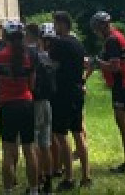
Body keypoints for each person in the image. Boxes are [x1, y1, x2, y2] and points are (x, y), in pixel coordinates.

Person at [0, 19, 40, 195]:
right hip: (26, 103)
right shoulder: (31, 55)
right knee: (29, 149)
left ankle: (8, 190)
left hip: (7, 105)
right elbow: (32, 84)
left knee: (8, 151)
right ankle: (34, 189)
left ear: (6, 36)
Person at [89, 11, 125, 174]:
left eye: (97, 29)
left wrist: (96, 62)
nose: (97, 33)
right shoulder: (119, 36)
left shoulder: (112, 40)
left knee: (122, 123)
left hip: (122, 84)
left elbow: (114, 67)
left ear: (102, 26)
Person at [49, 12, 90, 191]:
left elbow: (51, 64)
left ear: (63, 24)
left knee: (61, 135)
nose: (54, 28)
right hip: (77, 91)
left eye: (55, 24)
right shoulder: (78, 44)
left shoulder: (59, 43)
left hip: (62, 94)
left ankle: (69, 177)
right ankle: (87, 175)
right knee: (78, 132)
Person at [28, 22, 57, 194]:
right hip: (47, 102)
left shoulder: (32, 56)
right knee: (46, 144)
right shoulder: (47, 57)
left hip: (35, 102)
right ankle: (48, 181)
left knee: (35, 145)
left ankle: (37, 180)